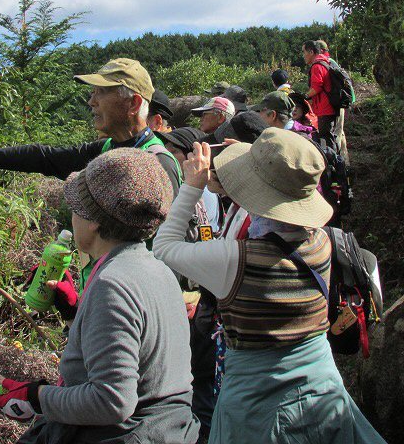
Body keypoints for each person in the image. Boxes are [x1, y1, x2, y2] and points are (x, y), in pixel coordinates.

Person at [153, 129, 387, 444]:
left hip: (260, 403)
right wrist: (262, 163)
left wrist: (193, 185)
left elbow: (164, 247)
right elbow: (275, 204)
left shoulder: (236, 259)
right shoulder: (323, 241)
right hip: (322, 386)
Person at [0, 148, 199, 443]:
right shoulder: (156, 269)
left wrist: (37, 397)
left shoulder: (112, 284)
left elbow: (112, 400)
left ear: (93, 221)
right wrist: (76, 311)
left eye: (76, 208)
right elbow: (139, 355)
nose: (71, 216)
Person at [0, 58, 181, 197]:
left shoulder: (158, 163)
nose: (91, 101)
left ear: (134, 103)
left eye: (100, 93)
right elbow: (44, 157)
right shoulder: (105, 148)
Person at [156, 126, 222, 444]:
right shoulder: (195, 194)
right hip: (199, 300)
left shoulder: (197, 194)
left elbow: (181, 246)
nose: (165, 160)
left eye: (171, 153)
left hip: (196, 305)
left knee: (197, 386)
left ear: (188, 155)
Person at [316, 39, 351, 164]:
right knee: (339, 133)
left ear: (320, 50)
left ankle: (337, 164)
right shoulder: (332, 62)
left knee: (334, 134)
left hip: (332, 105)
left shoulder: (324, 64)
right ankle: (345, 163)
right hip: (339, 103)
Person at [302, 40, 339, 152]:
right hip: (330, 106)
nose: (303, 55)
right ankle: (336, 161)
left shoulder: (317, 66)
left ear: (311, 52)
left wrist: (305, 96)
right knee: (329, 136)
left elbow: (316, 87)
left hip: (325, 108)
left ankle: (334, 164)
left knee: (326, 138)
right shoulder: (325, 62)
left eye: (304, 52)